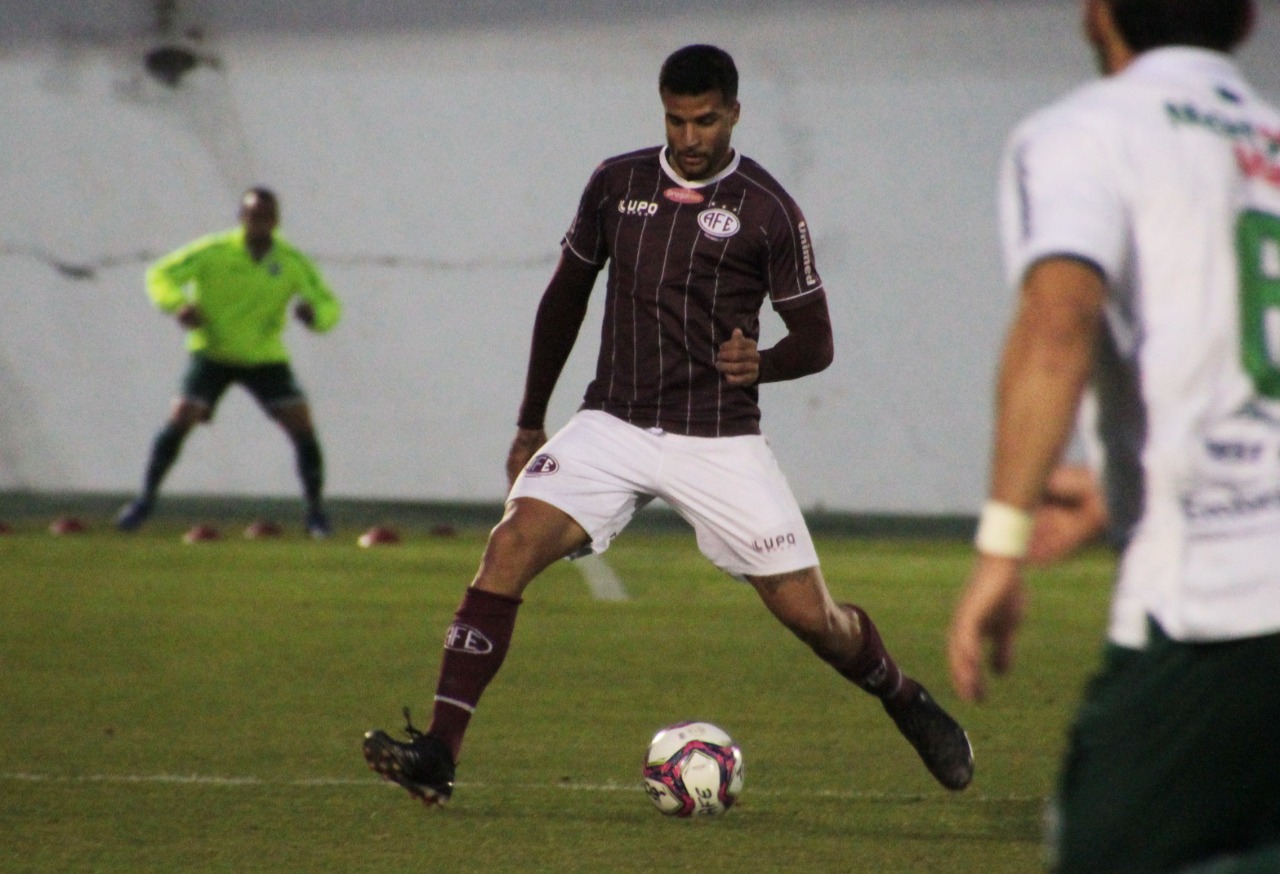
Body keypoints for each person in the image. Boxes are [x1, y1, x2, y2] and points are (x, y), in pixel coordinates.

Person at [363, 43, 974, 806]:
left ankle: (901, 696)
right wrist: (530, 420)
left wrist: (767, 365)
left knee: (813, 620)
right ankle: (439, 754)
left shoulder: (769, 209)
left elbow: (817, 342)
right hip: (611, 423)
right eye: (677, 120)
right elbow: (565, 299)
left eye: (706, 121)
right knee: (509, 545)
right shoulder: (617, 184)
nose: (690, 138)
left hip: (718, 436)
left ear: (734, 114)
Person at [948, 1, 1280, 871]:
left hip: (1216, 600)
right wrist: (1122, 482)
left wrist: (1000, 546)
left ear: (1097, 15)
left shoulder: (1083, 134)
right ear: (1246, 20)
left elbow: (1059, 321)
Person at [116, 187, 341, 538]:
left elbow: (327, 303)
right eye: (253, 216)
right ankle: (143, 502)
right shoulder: (214, 252)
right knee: (181, 416)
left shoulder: (291, 261)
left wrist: (316, 317)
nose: (260, 223)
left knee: (301, 424)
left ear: (276, 221)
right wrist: (177, 304)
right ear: (242, 218)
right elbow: (159, 274)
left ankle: (315, 513)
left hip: (264, 356)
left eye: (266, 216)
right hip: (213, 352)